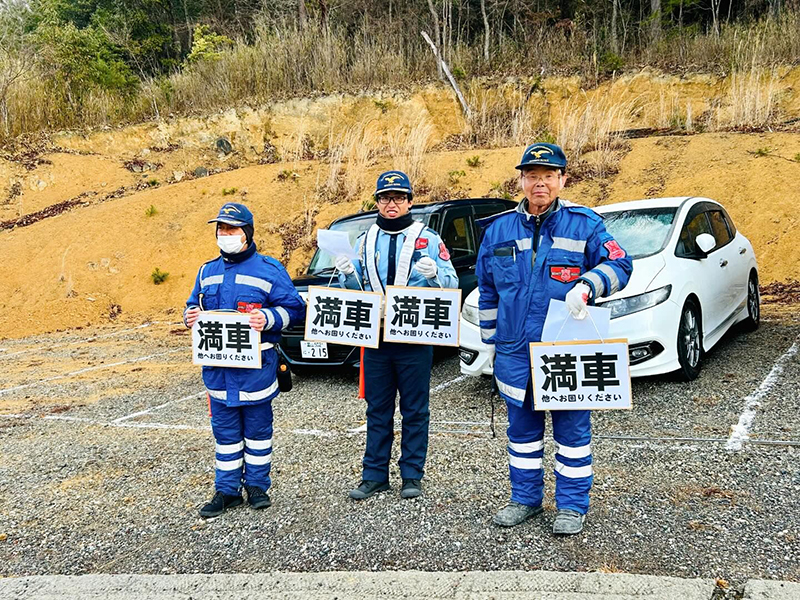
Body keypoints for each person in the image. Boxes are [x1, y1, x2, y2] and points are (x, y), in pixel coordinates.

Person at [476, 143, 633, 535]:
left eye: (548, 176)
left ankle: (572, 506)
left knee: (573, 434)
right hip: (514, 352)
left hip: (565, 350)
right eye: (532, 176)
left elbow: (620, 264)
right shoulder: (498, 230)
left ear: (562, 179)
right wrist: (490, 343)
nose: (540, 183)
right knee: (522, 436)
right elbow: (488, 291)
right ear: (522, 180)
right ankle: (524, 499)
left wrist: (588, 285)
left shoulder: (584, 225)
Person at [335, 170, 458, 500]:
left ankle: (412, 475)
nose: (392, 203)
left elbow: (451, 282)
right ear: (377, 202)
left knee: (415, 409)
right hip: (376, 337)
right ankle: (374, 474)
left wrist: (434, 275)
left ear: (410, 202)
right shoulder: (364, 240)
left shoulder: (427, 238)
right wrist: (347, 274)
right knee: (377, 409)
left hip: (415, 335)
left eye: (399, 197)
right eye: (385, 198)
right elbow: (356, 289)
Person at [184, 202, 305, 518]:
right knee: (225, 438)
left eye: (232, 229)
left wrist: (268, 317)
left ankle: (257, 487)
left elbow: (295, 310)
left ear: (247, 233)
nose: (225, 234)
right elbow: (191, 305)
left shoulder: (270, 270)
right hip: (219, 374)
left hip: (256, 373)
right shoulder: (206, 272)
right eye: (221, 229)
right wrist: (190, 315)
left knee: (258, 434)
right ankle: (226, 491)